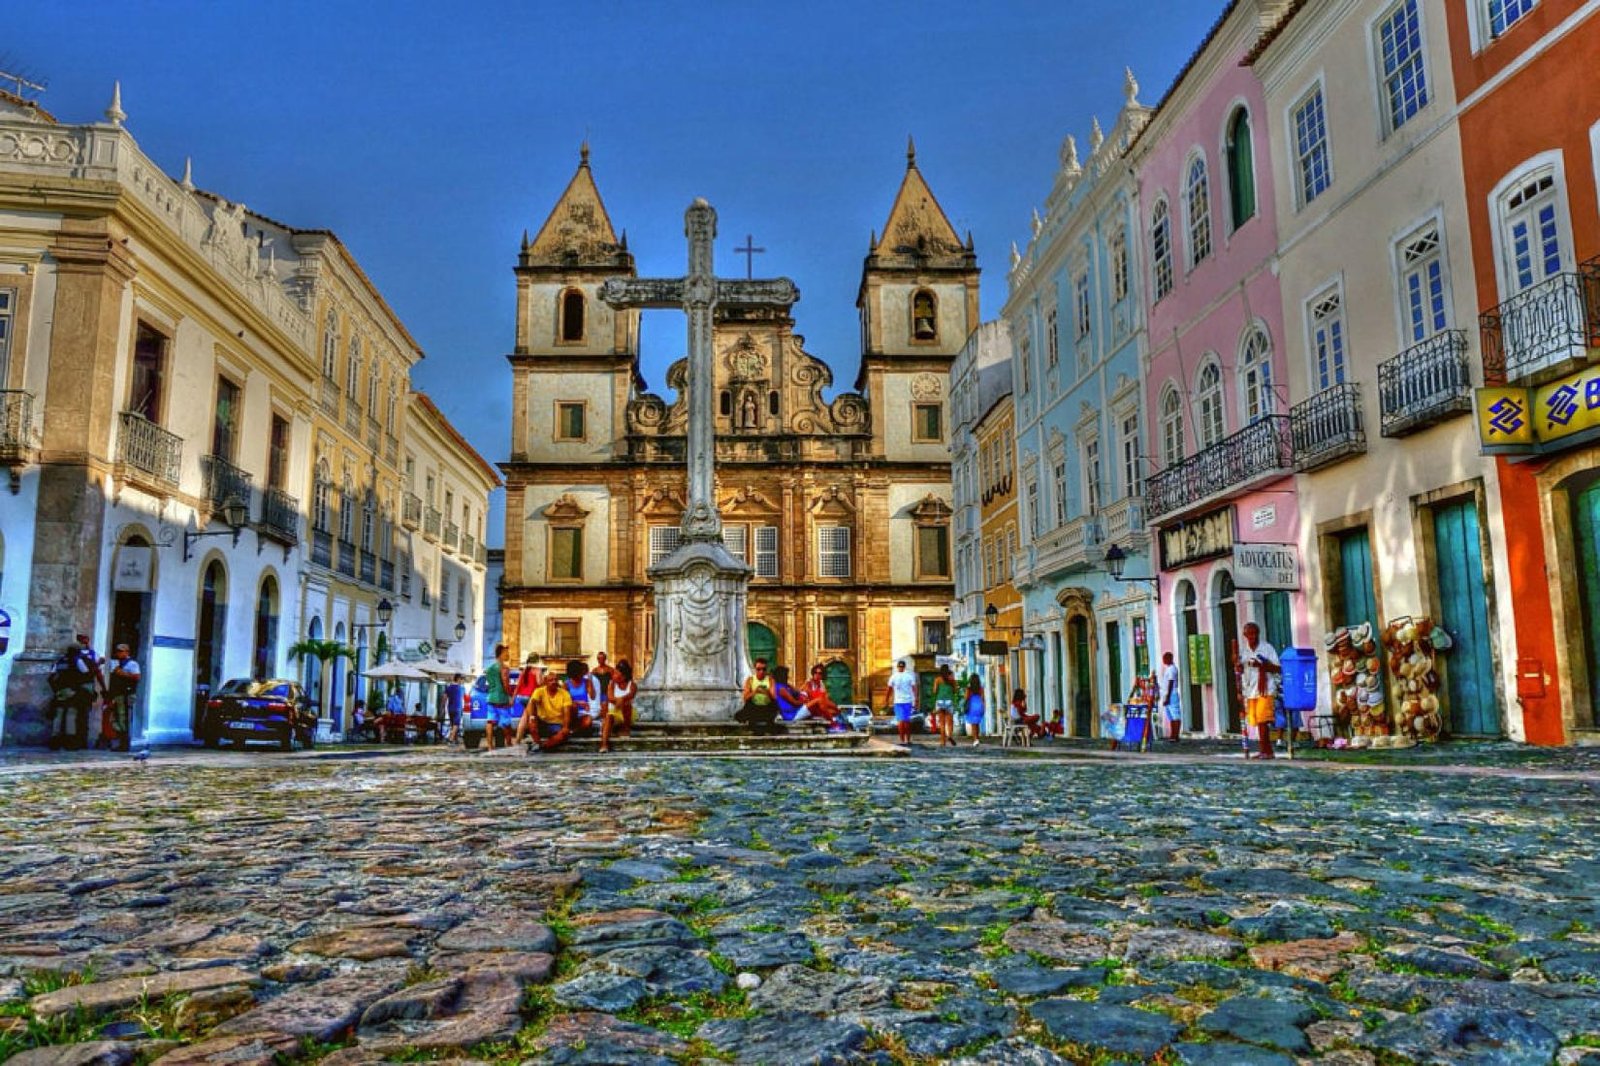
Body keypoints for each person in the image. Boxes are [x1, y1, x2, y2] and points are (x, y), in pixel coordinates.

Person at [1235, 622, 1282, 760]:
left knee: (1263, 720)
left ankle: (1266, 751)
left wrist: (1263, 665)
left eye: (1255, 633)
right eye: (1250, 634)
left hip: (1266, 688)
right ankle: (1266, 750)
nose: (1253, 637)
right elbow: (1240, 671)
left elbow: (1278, 668)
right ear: (1245, 635)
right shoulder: (1244, 652)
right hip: (1250, 690)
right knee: (1255, 720)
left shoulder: (1267, 648)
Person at [47, 638, 98, 751]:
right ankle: (70, 741)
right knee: (71, 714)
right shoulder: (77, 660)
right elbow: (86, 674)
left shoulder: (60, 661)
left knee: (58, 715)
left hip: (60, 691)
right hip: (72, 691)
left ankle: (55, 740)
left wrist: (56, 689)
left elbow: (51, 677)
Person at [518, 671, 575, 752]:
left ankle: (542, 746)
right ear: (545, 682)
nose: (554, 682)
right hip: (543, 722)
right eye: (551, 680)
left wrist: (565, 727)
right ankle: (538, 744)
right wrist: (532, 718)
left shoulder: (564, 694)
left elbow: (567, 712)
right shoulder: (539, 691)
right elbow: (532, 703)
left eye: (555, 680)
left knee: (563, 734)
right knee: (531, 723)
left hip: (557, 724)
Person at [736, 658, 782, 734]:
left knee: (775, 705)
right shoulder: (750, 680)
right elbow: (745, 697)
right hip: (754, 707)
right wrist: (755, 692)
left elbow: (774, 697)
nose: (761, 671)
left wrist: (766, 692)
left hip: (766, 707)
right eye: (759, 669)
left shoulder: (770, 680)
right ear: (755, 669)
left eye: (764, 669)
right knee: (742, 712)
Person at [601, 659, 637, 753]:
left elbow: (630, 695)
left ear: (623, 676)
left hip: (626, 713)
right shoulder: (611, 684)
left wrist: (621, 700)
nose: (614, 675)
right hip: (614, 713)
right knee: (609, 716)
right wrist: (620, 700)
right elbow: (610, 697)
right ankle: (604, 744)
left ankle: (625, 728)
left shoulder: (632, 685)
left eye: (616, 674)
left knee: (627, 705)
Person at [483, 643, 514, 750]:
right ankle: (509, 743)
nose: (508, 655)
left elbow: (490, 683)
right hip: (501, 698)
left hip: (491, 697)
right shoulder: (504, 667)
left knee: (490, 721)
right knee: (506, 722)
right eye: (506, 653)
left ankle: (490, 745)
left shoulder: (490, 668)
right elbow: (505, 683)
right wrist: (509, 696)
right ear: (501, 654)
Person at [884, 660, 918, 745]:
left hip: (900, 702)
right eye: (901, 666)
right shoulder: (909, 676)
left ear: (898, 667)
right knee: (905, 721)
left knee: (902, 721)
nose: (901, 668)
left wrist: (886, 700)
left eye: (901, 666)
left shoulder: (894, 676)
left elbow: (889, 689)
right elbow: (914, 688)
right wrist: (916, 699)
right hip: (905, 701)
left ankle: (902, 739)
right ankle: (906, 739)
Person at [563, 659, 599, 737]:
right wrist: (578, 702)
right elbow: (565, 700)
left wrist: (590, 681)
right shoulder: (566, 684)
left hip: (583, 712)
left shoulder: (586, 682)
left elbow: (593, 696)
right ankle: (573, 729)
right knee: (574, 706)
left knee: (588, 721)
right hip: (571, 712)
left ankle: (573, 731)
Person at [931, 665, 957, 747]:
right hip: (949, 701)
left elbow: (934, 691)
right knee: (950, 722)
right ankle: (949, 736)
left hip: (940, 701)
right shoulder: (951, 680)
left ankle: (942, 742)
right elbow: (955, 690)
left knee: (942, 723)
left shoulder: (938, 679)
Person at [1159, 652, 1182, 742]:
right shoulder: (1168, 669)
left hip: (1172, 694)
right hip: (1167, 694)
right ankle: (1173, 734)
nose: (1164, 660)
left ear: (1170, 659)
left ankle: (1176, 735)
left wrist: (1168, 697)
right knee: (1171, 716)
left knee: (1175, 715)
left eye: (1165, 658)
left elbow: (1171, 682)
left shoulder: (1172, 669)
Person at [591, 651, 616, 721]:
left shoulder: (610, 670)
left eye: (602, 658)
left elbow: (614, 681)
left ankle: (605, 722)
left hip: (607, 692)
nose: (600, 660)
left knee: (606, 708)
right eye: (599, 658)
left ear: (605, 659)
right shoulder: (594, 671)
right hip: (598, 693)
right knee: (599, 708)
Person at [962, 674, 986, 746]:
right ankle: (977, 738)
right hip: (979, 705)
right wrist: (983, 707)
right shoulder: (981, 689)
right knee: (977, 723)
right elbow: (983, 698)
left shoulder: (969, 689)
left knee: (973, 724)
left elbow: (966, 698)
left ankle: (975, 740)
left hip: (972, 706)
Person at [445, 676, 465, 744]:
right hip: (458, 708)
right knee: (456, 724)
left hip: (450, 708)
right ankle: (450, 739)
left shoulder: (448, 687)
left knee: (452, 725)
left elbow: (444, 698)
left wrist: (442, 708)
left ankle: (455, 740)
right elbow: (464, 698)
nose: (463, 681)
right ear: (458, 679)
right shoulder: (461, 688)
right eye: (462, 680)